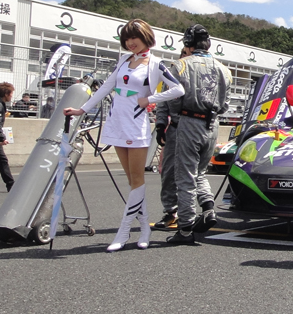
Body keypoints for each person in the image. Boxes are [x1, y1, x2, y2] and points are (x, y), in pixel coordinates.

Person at [64, 20, 184, 251]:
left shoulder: (156, 64)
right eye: (126, 39)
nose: (130, 43)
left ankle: (124, 231)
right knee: (132, 182)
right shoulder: (123, 60)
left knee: (137, 180)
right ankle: (145, 228)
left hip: (135, 124)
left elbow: (179, 89)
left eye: (134, 38)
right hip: (116, 122)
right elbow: (106, 87)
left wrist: (149, 99)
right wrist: (82, 110)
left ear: (146, 37)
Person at [166, 24, 232, 245]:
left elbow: (173, 100)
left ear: (188, 44)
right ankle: (209, 208)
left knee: (185, 177)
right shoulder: (224, 69)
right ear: (208, 44)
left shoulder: (180, 65)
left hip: (189, 120)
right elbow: (226, 104)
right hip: (212, 124)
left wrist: (177, 119)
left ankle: (185, 229)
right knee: (201, 172)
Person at [153, 47, 188, 230]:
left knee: (191, 173)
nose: (185, 57)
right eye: (183, 54)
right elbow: (162, 101)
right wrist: (160, 125)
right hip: (174, 129)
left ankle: (189, 213)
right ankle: (170, 211)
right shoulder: (171, 73)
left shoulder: (203, 74)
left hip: (194, 129)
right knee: (168, 171)